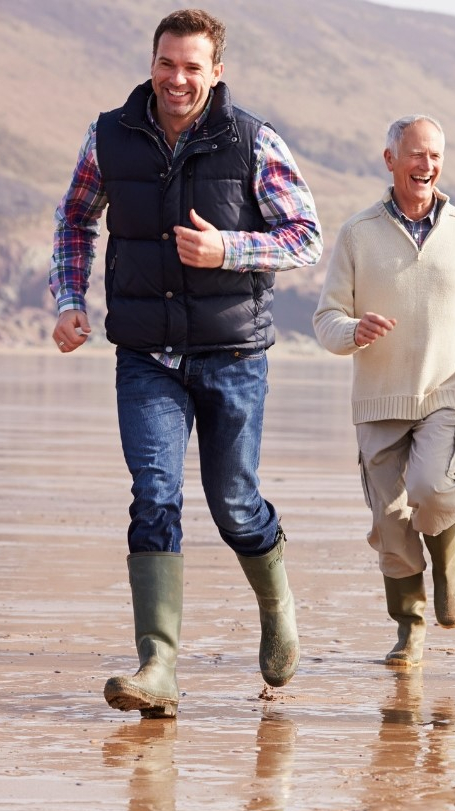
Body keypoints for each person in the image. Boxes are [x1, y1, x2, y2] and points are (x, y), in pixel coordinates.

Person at [48, 9, 323, 717]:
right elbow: (75, 217)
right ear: (152, 62)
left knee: (233, 504)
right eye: (167, 64)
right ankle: (158, 664)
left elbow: (304, 238)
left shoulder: (254, 140)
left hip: (233, 352)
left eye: (192, 67)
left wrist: (228, 248)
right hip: (145, 355)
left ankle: (277, 601)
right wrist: (69, 297)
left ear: (216, 71)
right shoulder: (109, 134)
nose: (177, 79)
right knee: (155, 493)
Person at [313, 114, 455, 669]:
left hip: (447, 391)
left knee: (433, 490)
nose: (426, 165)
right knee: (390, 526)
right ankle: (410, 628)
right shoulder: (357, 232)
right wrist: (354, 332)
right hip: (377, 401)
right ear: (390, 160)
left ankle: (446, 568)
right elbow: (327, 319)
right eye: (416, 155)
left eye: (435, 156)